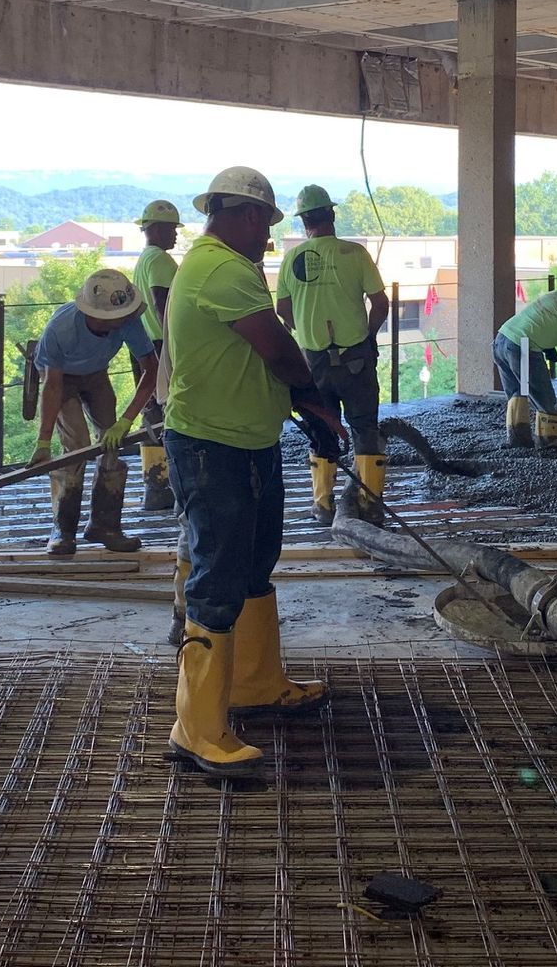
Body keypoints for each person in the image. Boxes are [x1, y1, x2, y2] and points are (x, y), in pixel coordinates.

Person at [166, 166, 345, 777]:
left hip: (247, 442)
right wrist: (314, 397)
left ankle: (255, 683)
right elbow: (275, 346)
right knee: (217, 578)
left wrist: (298, 407)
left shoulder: (225, 266)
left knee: (253, 564)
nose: (269, 237)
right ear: (246, 215)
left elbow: (251, 358)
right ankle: (196, 728)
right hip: (213, 448)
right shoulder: (220, 268)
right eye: (266, 224)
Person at [278, 184, 390, 525]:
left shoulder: (292, 258)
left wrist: (305, 330)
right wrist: (368, 336)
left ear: (303, 221)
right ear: (332, 215)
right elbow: (380, 303)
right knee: (364, 427)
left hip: (314, 362)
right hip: (355, 357)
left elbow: (282, 309)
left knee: (321, 429)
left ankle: (323, 504)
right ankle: (370, 505)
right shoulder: (355, 254)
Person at [30, 268, 160, 556]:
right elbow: (52, 386)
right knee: (76, 446)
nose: (124, 320)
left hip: (96, 372)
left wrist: (125, 422)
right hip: (60, 377)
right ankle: (63, 530)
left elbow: (151, 370)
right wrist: (43, 440)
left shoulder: (128, 321)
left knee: (111, 444)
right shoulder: (61, 329)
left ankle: (105, 525)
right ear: (95, 314)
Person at [494, 285, 557, 450]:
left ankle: (518, 443)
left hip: (501, 339)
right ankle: (548, 446)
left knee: (517, 393)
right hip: (523, 346)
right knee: (545, 401)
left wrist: (549, 349)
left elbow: (542, 319)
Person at [130, 198, 182, 512]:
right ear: (157, 229)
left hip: (145, 346)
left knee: (151, 412)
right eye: (172, 229)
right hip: (164, 345)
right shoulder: (161, 261)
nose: (175, 234)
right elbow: (165, 306)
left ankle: (156, 488)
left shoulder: (143, 260)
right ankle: (176, 484)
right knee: (176, 412)